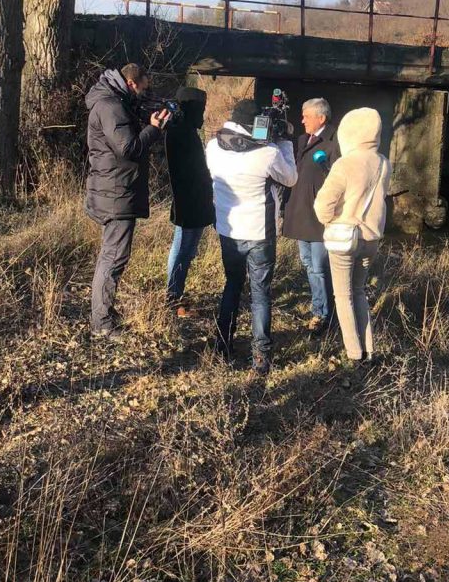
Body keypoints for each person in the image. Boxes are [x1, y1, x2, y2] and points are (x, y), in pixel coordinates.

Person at [205, 99, 298, 375]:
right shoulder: (268, 152)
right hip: (259, 232)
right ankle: (261, 356)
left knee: (232, 285)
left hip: (228, 230)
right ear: (255, 124)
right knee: (260, 294)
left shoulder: (212, 147)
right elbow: (290, 178)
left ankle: (223, 344)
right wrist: (285, 142)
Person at [85, 63, 170, 338]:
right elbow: (128, 147)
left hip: (114, 189)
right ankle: (102, 322)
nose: (145, 92)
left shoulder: (114, 101)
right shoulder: (110, 106)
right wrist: (153, 128)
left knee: (111, 255)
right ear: (132, 83)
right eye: (143, 87)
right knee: (114, 257)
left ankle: (104, 313)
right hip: (116, 192)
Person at [313, 108, 391, 363]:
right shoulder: (384, 163)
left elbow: (323, 205)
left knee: (343, 296)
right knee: (359, 291)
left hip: (345, 238)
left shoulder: (344, 164)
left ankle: (354, 353)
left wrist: (330, 220)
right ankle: (369, 349)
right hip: (371, 239)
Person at [282, 97, 340, 335]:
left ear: (321, 118)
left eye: (306, 116)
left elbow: (338, 180)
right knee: (308, 263)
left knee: (319, 266)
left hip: (319, 216)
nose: (302, 120)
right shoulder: (302, 140)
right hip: (300, 212)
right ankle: (320, 307)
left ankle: (324, 314)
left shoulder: (335, 142)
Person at [164, 85, 214, 317]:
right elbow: (186, 171)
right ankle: (173, 297)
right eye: (200, 108)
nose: (202, 113)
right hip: (188, 200)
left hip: (195, 199)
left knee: (187, 249)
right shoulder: (179, 130)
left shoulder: (185, 129)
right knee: (182, 249)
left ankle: (176, 293)